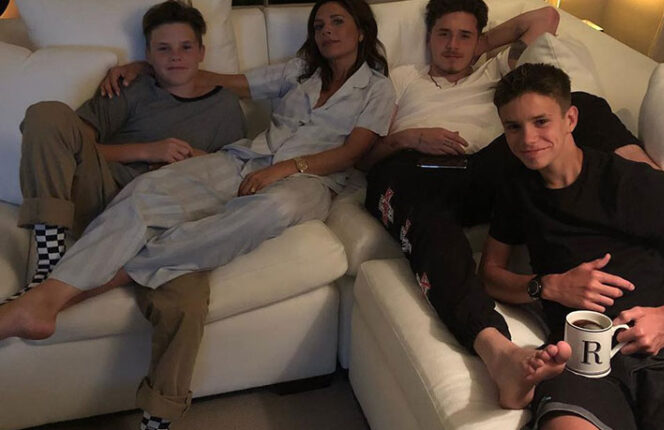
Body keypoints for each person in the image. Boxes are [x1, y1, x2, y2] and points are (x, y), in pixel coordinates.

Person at [0, 1, 395, 429]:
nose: (326, 31)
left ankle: (89, 283)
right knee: (147, 189)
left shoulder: (377, 88)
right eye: (319, 24)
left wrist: (285, 169)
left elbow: (352, 152)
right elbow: (218, 80)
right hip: (248, 159)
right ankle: (49, 296)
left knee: (270, 209)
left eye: (337, 22)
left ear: (361, 30)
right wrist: (145, 66)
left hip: (311, 180)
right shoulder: (301, 70)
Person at [360, 0, 664, 410]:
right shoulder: (403, 77)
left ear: (480, 39)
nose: (453, 45)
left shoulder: (495, 72)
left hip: (483, 163)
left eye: (465, 35)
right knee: (421, 210)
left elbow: (545, 17)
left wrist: (482, 47)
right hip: (420, 168)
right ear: (428, 38)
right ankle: (498, 352)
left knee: (581, 100)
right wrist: (410, 138)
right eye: (444, 34)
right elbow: (366, 158)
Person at [482, 62, 664, 430]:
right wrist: (547, 285)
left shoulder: (626, 180)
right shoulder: (517, 191)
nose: (527, 139)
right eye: (513, 127)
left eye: (541, 122)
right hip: (579, 355)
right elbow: (490, 275)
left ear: (570, 119)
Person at [6, 0, 245, 304]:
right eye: (163, 49)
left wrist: (201, 163)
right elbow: (71, 147)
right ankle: (50, 262)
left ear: (201, 52)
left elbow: (236, 176)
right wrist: (147, 151)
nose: (175, 56)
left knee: (184, 302)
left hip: (166, 214)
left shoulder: (225, 106)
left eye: (186, 47)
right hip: (104, 194)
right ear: (148, 54)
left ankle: (56, 295)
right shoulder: (130, 87)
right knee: (46, 114)